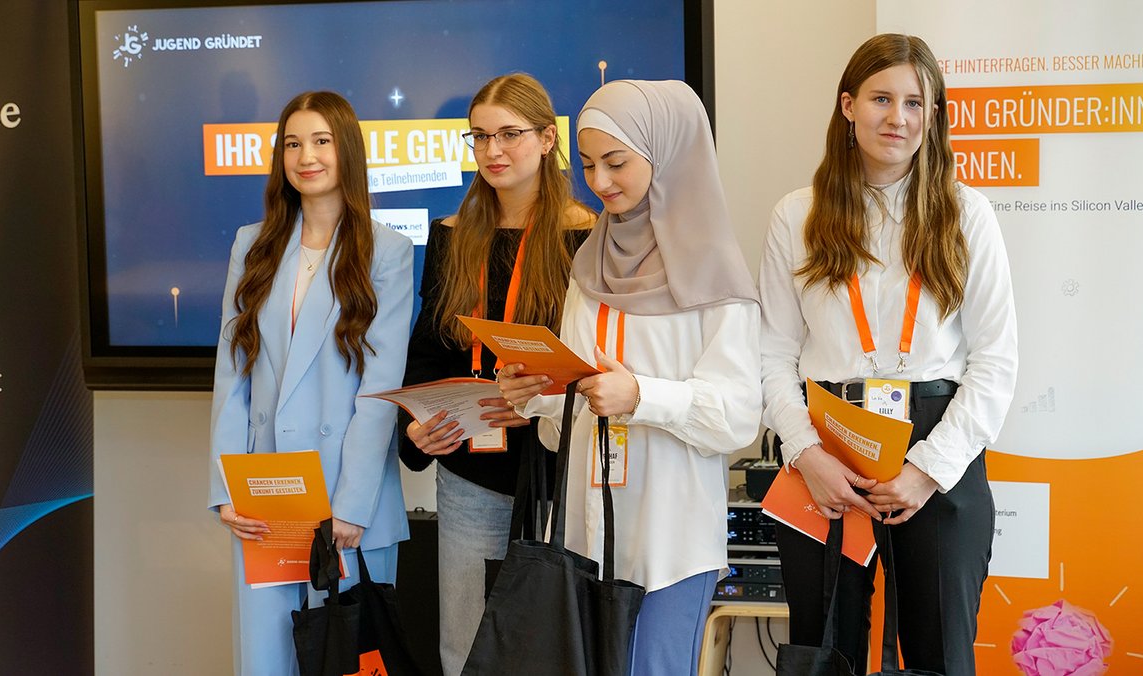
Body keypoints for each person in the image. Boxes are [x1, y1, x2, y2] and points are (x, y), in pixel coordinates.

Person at [759, 33, 1018, 676]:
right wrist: (805, 453)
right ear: (848, 106)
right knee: (825, 652)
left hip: (936, 442)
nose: (897, 117)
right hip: (826, 445)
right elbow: (772, 353)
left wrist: (927, 470)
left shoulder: (967, 214)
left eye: (914, 102)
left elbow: (995, 361)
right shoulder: (796, 215)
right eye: (881, 99)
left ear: (933, 115)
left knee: (940, 655)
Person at [497, 79, 762, 676]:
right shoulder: (589, 263)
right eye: (588, 164)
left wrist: (642, 396)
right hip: (583, 532)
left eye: (616, 163)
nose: (599, 182)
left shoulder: (716, 273)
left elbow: (738, 416)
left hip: (669, 540)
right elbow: (570, 405)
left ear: (666, 155)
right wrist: (536, 395)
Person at [207, 91, 413, 676]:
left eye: (322, 141)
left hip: (348, 500)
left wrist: (351, 504)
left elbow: (380, 389)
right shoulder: (252, 244)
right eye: (293, 144)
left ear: (346, 149)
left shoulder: (388, 251)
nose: (307, 157)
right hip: (267, 494)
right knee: (268, 660)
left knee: (345, 660)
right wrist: (226, 488)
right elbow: (232, 371)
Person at [397, 73, 593, 676]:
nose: (493, 150)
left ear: (547, 139)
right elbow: (429, 351)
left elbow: (601, 357)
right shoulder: (452, 236)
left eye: (509, 134)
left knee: (555, 643)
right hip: (471, 466)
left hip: (560, 466)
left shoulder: (588, 235)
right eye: (480, 136)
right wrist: (418, 427)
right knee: (465, 643)